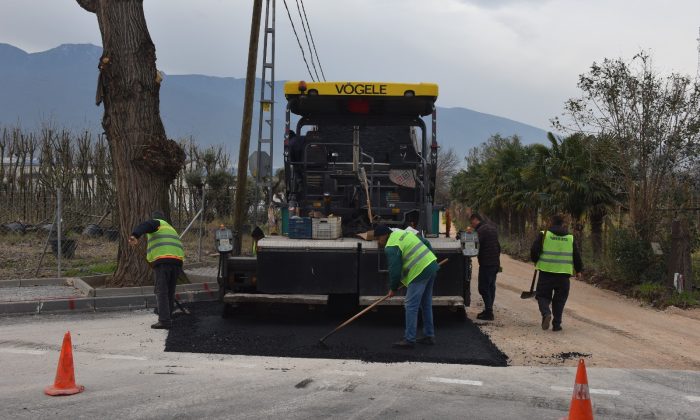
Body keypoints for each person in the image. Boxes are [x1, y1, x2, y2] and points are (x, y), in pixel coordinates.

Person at [374, 225, 439, 349]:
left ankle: (409, 339)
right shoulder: (404, 233)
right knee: (426, 304)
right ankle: (429, 336)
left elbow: (395, 270)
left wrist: (393, 288)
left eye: (378, 238)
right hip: (431, 266)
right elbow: (425, 242)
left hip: (420, 272)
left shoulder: (391, 246)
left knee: (410, 306)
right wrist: (432, 259)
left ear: (384, 236)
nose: (378, 242)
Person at [129, 210, 185, 329]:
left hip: (164, 261)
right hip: (177, 262)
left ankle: (164, 321)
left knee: (162, 291)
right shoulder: (171, 228)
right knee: (169, 291)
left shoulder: (157, 223)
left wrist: (135, 235)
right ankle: (168, 316)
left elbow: (145, 225)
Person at [531, 215, 583, 332]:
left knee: (542, 296)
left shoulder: (544, 234)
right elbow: (576, 255)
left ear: (551, 222)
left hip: (546, 272)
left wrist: (535, 260)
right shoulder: (570, 238)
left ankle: (546, 313)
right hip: (564, 275)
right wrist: (578, 270)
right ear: (562, 224)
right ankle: (557, 324)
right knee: (560, 300)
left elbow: (534, 250)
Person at [470, 213, 501, 321]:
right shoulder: (491, 228)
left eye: (472, 222)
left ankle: (489, 312)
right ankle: (489, 309)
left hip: (487, 264)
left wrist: (467, 237)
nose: (472, 224)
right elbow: (498, 246)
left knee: (483, 288)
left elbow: (474, 246)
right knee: (491, 287)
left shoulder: (481, 231)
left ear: (475, 220)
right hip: (495, 263)